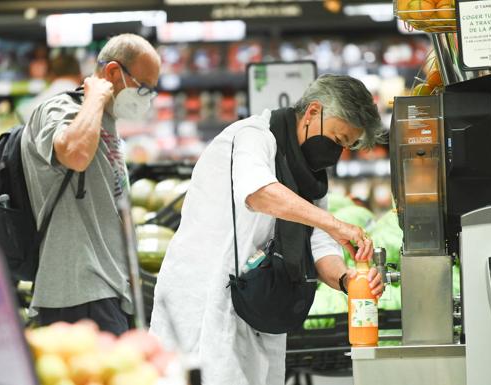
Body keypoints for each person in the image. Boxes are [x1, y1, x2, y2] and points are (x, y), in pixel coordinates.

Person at [150, 74, 385, 384]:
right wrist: (334, 223)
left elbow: (318, 243)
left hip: (260, 303)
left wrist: (346, 279)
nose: (336, 152)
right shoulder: (251, 137)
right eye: (337, 138)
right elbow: (259, 193)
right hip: (204, 300)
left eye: (345, 145)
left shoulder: (309, 174)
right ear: (313, 112)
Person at [20, 34, 160, 335]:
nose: (148, 98)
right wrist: (96, 96)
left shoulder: (106, 122)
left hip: (109, 291)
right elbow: (75, 154)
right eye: (144, 87)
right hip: (78, 293)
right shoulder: (59, 109)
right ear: (112, 73)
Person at [17, 52, 83, 123]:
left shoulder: (30, 108)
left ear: (51, 76)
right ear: (80, 75)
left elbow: (22, 112)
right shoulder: (86, 100)